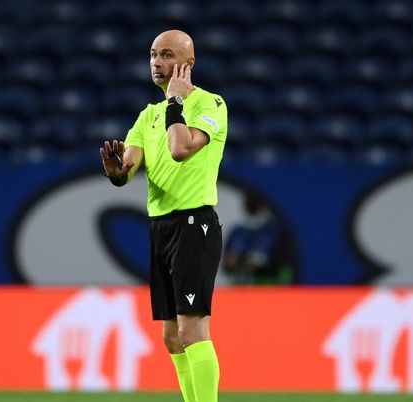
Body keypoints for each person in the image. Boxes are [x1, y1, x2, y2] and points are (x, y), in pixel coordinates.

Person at [99, 30, 227, 402]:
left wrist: (176, 103)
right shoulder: (147, 116)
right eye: (153, 54)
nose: (157, 62)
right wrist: (114, 170)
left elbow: (180, 148)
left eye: (167, 55)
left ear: (188, 63)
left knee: (192, 330)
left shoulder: (210, 104)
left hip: (194, 224)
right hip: (161, 228)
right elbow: (127, 170)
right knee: (171, 338)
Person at [224, 191, 296, 285]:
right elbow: (227, 263)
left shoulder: (275, 232)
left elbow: (285, 265)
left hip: (267, 288)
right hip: (239, 287)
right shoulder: (237, 232)